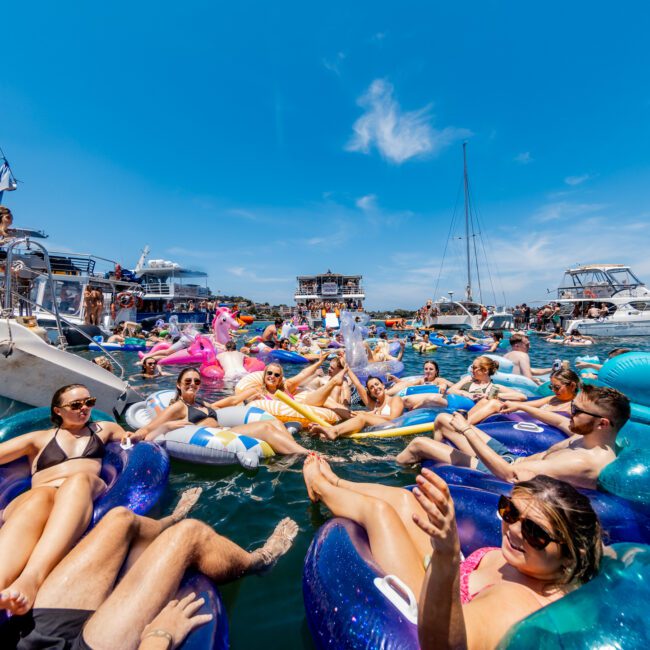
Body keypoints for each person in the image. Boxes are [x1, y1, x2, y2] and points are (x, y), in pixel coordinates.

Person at [302, 456, 601, 649]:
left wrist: (446, 557)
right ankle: (337, 482)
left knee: (378, 513)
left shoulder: (519, 604)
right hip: (451, 577)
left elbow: (442, 647)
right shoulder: (535, 564)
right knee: (406, 501)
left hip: (430, 606)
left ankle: (319, 486)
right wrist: (447, 553)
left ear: (572, 553)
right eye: (509, 511)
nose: (514, 531)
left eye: (535, 533)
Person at [14, 495, 298, 650]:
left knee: (120, 519)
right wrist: (160, 635)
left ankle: (169, 519)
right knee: (190, 534)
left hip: (32, 639)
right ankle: (261, 561)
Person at [0, 384, 139, 615]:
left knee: (78, 480)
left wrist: (135, 435)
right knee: (38, 497)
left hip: (82, 489)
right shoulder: (38, 439)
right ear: (58, 411)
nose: (84, 408)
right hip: (43, 495)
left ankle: (31, 580)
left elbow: (131, 440)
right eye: (76, 404)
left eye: (89, 402)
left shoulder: (103, 429)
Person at [396, 385, 630, 490]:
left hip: (501, 470)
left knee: (418, 444)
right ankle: (432, 469)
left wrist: (467, 430)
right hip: (512, 458)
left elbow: (510, 476)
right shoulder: (591, 437)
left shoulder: (584, 462)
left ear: (603, 423)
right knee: (445, 421)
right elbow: (557, 421)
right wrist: (523, 407)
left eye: (576, 411)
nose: (570, 413)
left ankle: (393, 472)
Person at [136, 368, 310, 456]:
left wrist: (254, 393)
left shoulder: (201, 403)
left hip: (225, 431)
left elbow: (232, 402)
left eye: (196, 382)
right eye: (188, 381)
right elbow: (148, 429)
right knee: (266, 429)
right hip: (215, 436)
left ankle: (293, 450)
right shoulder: (178, 407)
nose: (193, 384)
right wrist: (134, 435)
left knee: (273, 422)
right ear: (178, 384)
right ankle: (307, 454)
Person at [398, 357, 526, 412]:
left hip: (455, 405)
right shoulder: (468, 380)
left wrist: (491, 395)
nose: (472, 370)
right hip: (449, 399)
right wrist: (466, 394)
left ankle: (411, 410)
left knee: (430, 398)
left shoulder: (494, 387)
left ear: (485, 371)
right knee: (405, 400)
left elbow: (522, 397)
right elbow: (451, 390)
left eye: (475, 368)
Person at [308, 370, 404, 440]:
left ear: (383, 385)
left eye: (377, 384)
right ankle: (328, 431)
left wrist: (368, 415)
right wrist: (347, 368)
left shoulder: (395, 399)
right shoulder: (374, 405)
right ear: (370, 392)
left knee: (362, 416)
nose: (375, 388)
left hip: (392, 428)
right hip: (376, 431)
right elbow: (358, 385)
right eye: (371, 387)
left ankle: (333, 431)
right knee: (352, 414)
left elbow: (394, 419)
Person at [386, 360, 453, 397]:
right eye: (426, 369)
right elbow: (406, 384)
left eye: (431, 369)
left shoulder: (438, 380)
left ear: (436, 371)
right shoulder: (422, 380)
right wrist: (395, 379)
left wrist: (443, 385)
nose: (428, 371)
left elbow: (452, 385)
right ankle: (385, 393)